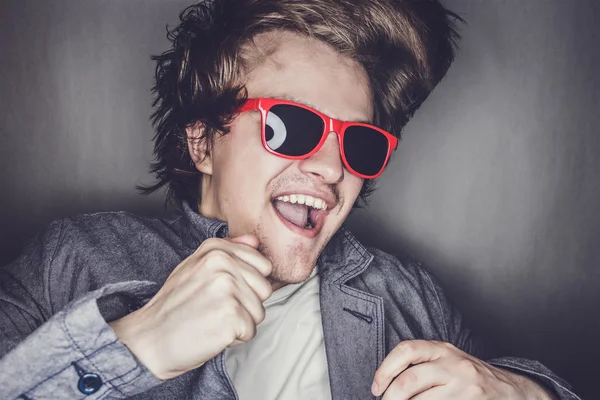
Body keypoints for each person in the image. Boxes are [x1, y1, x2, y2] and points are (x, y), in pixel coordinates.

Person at [0, 0, 582, 399]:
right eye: (291, 126)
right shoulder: (69, 261)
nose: (331, 166)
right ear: (202, 140)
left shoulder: (407, 298)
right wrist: (138, 344)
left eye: (358, 141)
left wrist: (524, 391)